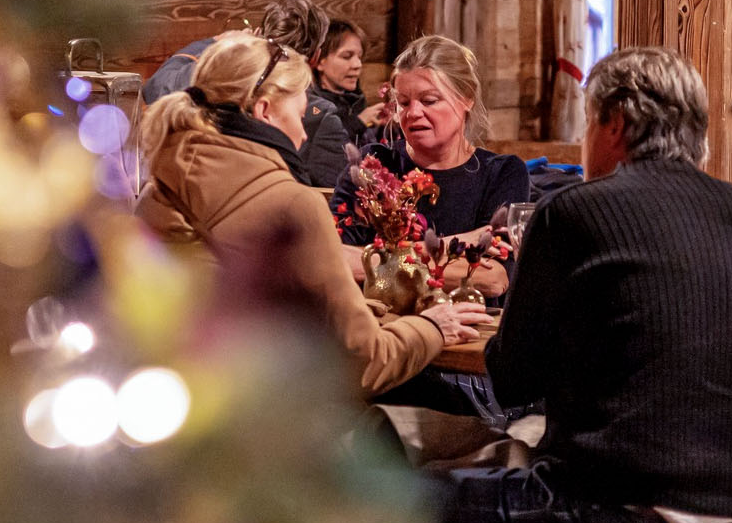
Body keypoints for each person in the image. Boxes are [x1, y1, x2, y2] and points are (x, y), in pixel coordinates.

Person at [423, 46, 732, 523]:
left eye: (588, 120)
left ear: (615, 123)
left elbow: (512, 379)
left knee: (365, 513)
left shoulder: (573, 211)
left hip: (611, 520)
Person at [133, 34, 490, 397]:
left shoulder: (158, 188)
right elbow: (366, 362)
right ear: (265, 112)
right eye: (300, 114)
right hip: (270, 419)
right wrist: (431, 327)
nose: (303, 135)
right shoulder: (291, 204)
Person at [331, 35, 528, 299]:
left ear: (466, 98)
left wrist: (379, 261)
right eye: (403, 102)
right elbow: (332, 260)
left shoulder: (501, 173)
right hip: (384, 331)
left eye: (429, 100)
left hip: (470, 331)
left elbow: (491, 279)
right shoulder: (372, 165)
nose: (413, 113)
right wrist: (451, 247)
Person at [140, 0, 351, 188]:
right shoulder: (322, 116)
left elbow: (158, 86)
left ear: (259, 38)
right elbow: (335, 197)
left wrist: (215, 42)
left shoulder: (228, 93)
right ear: (316, 56)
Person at [309, 19, 385, 147]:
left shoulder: (356, 99)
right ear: (319, 61)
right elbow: (320, 148)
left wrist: (386, 128)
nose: (357, 65)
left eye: (359, 57)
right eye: (346, 56)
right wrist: (359, 122)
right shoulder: (311, 106)